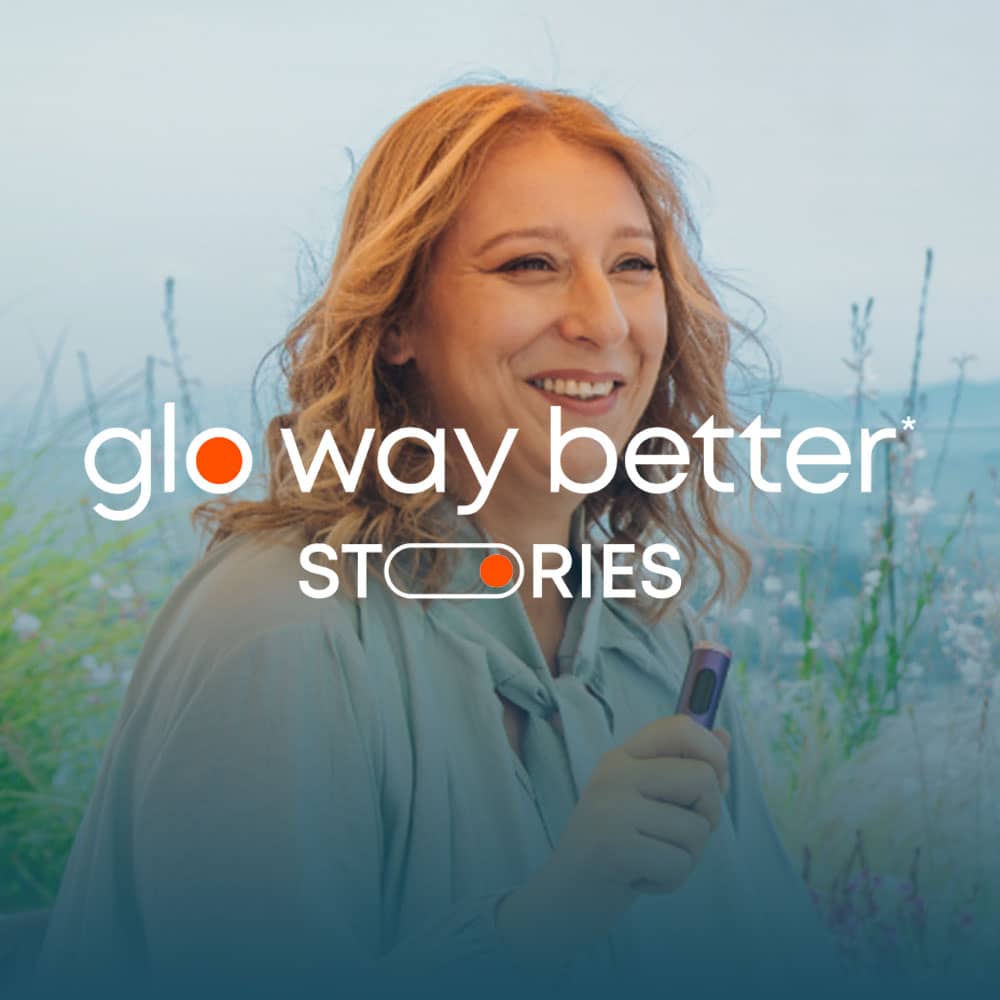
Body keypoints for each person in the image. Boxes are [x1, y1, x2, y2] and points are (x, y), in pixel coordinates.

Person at [30, 81, 840, 999]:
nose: (603, 321)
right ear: (399, 321)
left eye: (633, 265)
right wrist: (549, 919)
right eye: (530, 264)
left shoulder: (658, 638)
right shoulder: (280, 630)